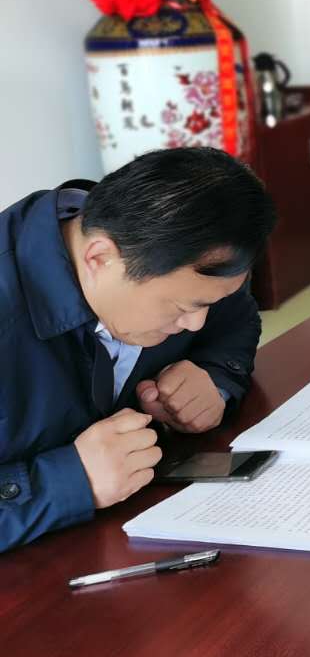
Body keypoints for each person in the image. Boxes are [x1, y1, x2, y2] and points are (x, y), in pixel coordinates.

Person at [1, 147, 277, 551]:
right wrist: (69, 481)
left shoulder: (173, 250)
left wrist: (214, 377)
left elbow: (235, 319)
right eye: (181, 308)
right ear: (99, 258)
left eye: (206, 305)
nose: (196, 323)